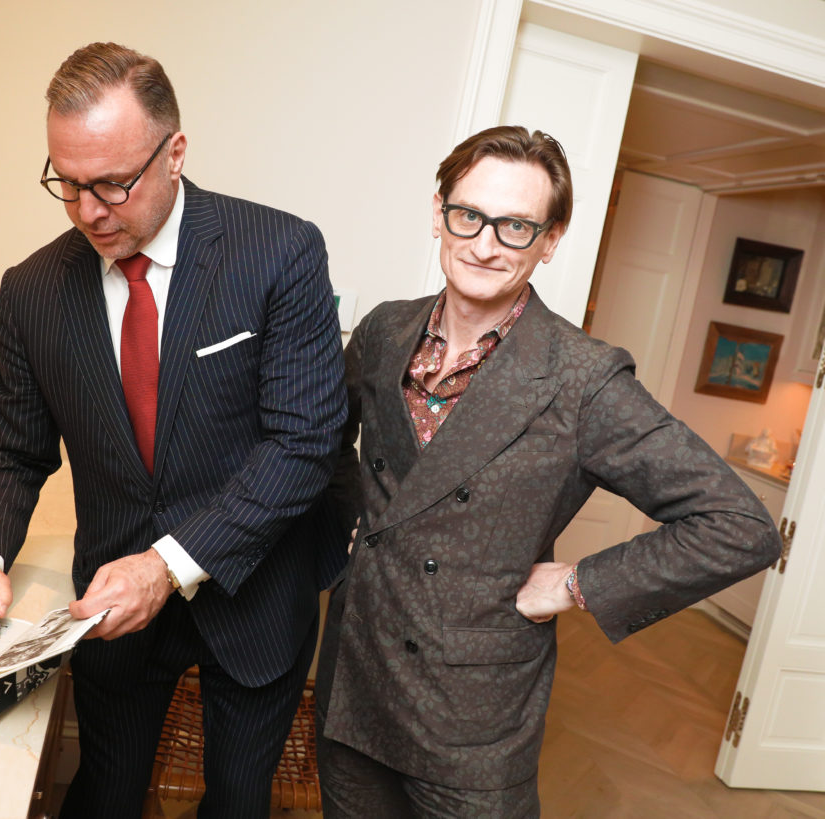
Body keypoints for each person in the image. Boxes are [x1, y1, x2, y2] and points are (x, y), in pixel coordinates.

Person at [315, 125, 782, 818]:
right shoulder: (385, 329)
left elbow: (740, 526)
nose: (484, 244)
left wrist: (574, 583)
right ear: (439, 212)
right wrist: (354, 525)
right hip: (354, 679)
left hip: (470, 716)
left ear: (551, 240)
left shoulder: (583, 378)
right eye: (469, 215)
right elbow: (328, 445)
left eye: (516, 226)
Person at [0, 42, 348, 819]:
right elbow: (13, 451)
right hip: (112, 605)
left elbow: (303, 445)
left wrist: (165, 565)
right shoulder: (32, 290)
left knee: (236, 802)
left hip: (255, 592)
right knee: (105, 793)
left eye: (113, 183)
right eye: (68, 183)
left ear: (175, 153)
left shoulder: (279, 253)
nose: (89, 210)